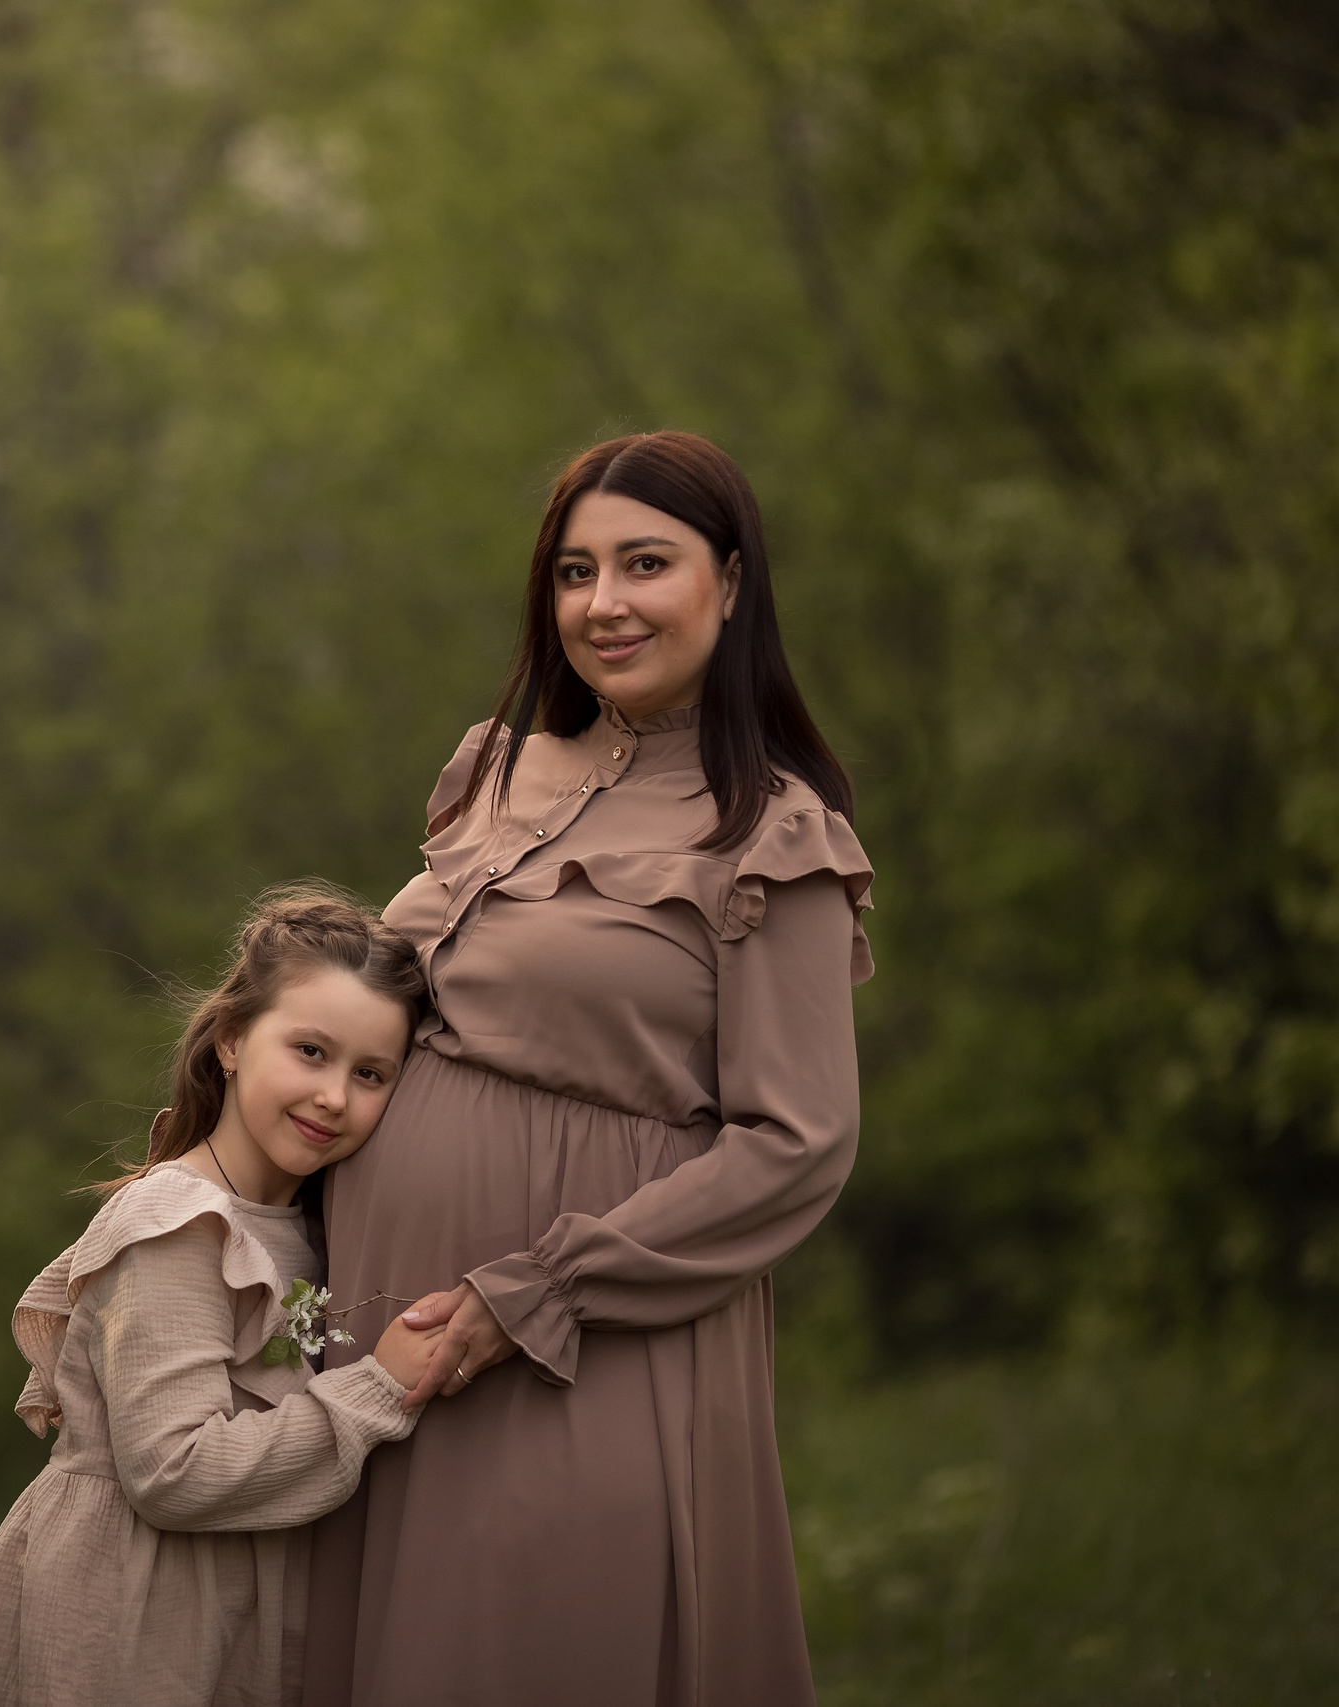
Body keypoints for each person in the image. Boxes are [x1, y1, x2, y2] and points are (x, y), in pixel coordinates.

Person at [302, 432, 876, 1706]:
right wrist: (182, 1206)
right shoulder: (499, 775)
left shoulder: (772, 838)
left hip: (581, 1350)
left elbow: (795, 1145)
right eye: (573, 572)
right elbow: (352, 1021)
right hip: (383, 1335)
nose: (603, 604)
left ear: (730, 584)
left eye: (644, 564)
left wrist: (538, 1293)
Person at [0, 887, 446, 1707]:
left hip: (225, 1605)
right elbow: (173, 1472)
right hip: (128, 1615)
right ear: (234, 1039)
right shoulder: (180, 1225)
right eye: (310, 1050)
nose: (334, 1096)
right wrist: (376, 1390)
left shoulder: (310, 1227)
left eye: (370, 1073)